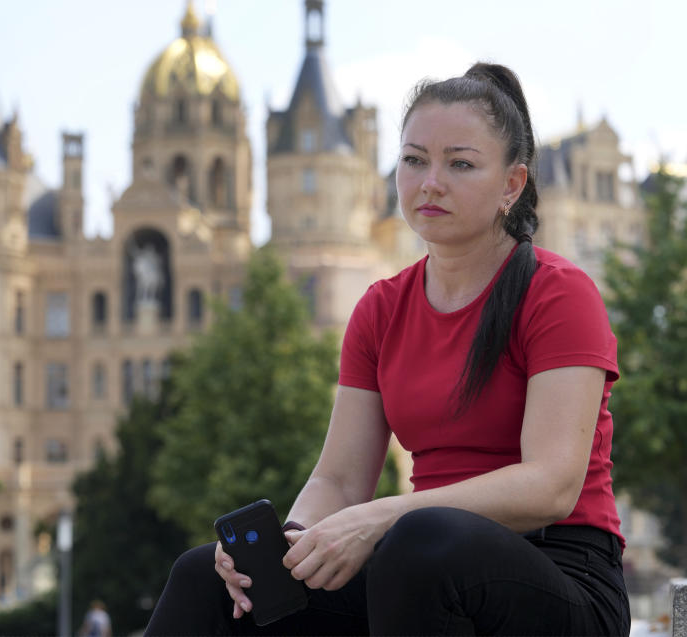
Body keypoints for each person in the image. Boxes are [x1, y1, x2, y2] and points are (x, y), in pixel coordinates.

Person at [144, 62, 630, 636]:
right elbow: (340, 481)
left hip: (562, 574)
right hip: (418, 565)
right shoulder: (381, 308)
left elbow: (551, 484)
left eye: (461, 164)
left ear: (512, 184)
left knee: (418, 543)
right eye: (414, 159)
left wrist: (379, 518)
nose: (430, 181)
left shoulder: (557, 292)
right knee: (208, 577)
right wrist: (293, 543)